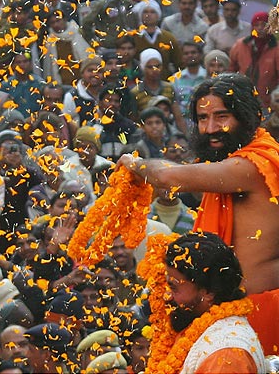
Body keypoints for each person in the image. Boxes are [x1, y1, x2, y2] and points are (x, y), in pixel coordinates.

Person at [118, 73, 279, 355]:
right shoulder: (228, 164)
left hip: (258, 313)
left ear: (248, 116)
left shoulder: (253, 165)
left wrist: (134, 163)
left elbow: (170, 177)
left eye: (221, 116)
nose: (210, 128)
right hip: (225, 315)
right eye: (203, 118)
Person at [161, 232, 266, 372]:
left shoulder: (225, 356)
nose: (167, 296)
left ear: (209, 292)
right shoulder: (201, 327)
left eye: (174, 287)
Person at [229, 12, 279, 109]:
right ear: (252, 27)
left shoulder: (276, 48)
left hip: (267, 101)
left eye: (264, 24)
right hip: (242, 98)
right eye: (256, 25)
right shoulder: (241, 44)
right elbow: (231, 68)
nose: (260, 28)